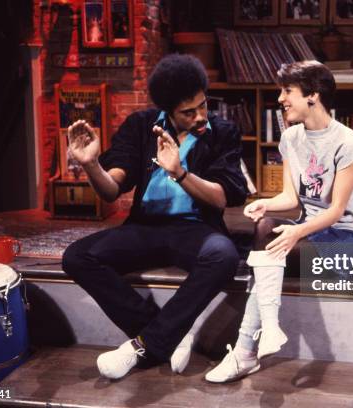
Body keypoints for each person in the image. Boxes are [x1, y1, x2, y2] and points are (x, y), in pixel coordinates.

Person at [62, 54, 248, 379]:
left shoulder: (222, 132)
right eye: (188, 112)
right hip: (145, 228)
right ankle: (167, 332)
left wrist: (180, 173)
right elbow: (112, 188)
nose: (200, 116)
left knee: (224, 255)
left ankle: (147, 343)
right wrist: (91, 164)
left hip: (196, 230)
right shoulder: (140, 126)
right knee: (77, 257)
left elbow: (223, 197)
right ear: (168, 110)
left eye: (203, 105)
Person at [205, 60, 353, 383]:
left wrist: (297, 231)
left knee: (268, 253)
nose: (280, 98)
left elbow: (337, 210)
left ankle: (245, 351)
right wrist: (265, 203)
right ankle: (267, 330)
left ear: (312, 95)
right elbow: (292, 199)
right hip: (308, 235)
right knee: (265, 227)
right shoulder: (291, 138)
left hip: (346, 240)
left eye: (288, 91)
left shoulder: (348, 143)